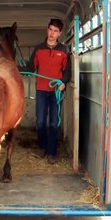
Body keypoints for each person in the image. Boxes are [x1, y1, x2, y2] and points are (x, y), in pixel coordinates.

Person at [26, 18, 72, 164]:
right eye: (50, 30)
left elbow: (67, 71)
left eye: (55, 31)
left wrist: (63, 83)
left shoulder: (64, 50)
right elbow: (30, 68)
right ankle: (41, 147)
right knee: (40, 121)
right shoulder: (39, 49)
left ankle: (52, 152)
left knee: (53, 123)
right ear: (47, 30)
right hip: (41, 90)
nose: (52, 33)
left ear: (60, 33)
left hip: (55, 92)